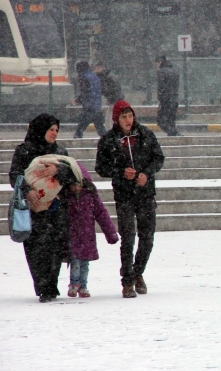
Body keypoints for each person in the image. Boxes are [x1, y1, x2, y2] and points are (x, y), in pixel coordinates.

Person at [95, 100, 165, 298]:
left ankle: (138, 272)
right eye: (123, 116)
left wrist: (147, 174)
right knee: (128, 238)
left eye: (130, 115)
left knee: (147, 237)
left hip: (145, 194)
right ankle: (127, 280)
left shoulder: (145, 134)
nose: (128, 120)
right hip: (124, 195)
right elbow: (101, 167)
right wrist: (120, 172)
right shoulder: (109, 140)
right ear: (116, 119)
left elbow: (158, 158)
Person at [9, 114, 79, 303]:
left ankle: (51, 285)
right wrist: (28, 191)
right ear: (41, 129)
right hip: (34, 209)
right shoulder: (24, 151)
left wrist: (58, 171)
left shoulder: (60, 152)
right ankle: (42, 285)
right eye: (51, 129)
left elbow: (74, 175)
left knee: (55, 247)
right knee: (36, 248)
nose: (54, 133)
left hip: (56, 207)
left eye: (56, 130)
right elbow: (15, 175)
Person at [66, 163, 119, 298]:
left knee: (84, 262)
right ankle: (73, 284)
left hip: (86, 236)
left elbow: (102, 214)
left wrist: (110, 233)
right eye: (73, 184)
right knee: (75, 261)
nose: (76, 188)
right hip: (72, 235)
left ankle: (83, 285)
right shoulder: (66, 197)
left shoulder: (90, 196)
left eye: (78, 184)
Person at [73, 60, 107, 139]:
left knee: (83, 122)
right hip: (97, 105)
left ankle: (77, 136)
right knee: (99, 126)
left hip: (89, 105)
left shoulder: (83, 77)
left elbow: (84, 92)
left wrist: (78, 100)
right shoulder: (94, 76)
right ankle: (107, 139)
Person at [94, 61, 124, 131]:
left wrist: (113, 101)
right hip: (113, 101)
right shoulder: (106, 76)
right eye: (95, 68)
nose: (96, 70)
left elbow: (114, 90)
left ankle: (113, 135)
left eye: (98, 68)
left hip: (114, 101)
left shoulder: (108, 77)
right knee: (108, 120)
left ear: (103, 68)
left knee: (110, 120)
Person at [155, 55, 180, 136]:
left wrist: (160, 97)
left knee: (160, 120)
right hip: (174, 98)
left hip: (166, 99)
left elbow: (161, 86)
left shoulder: (161, 72)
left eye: (157, 63)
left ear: (160, 61)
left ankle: (172, 133)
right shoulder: (175, 70)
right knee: (171, 119)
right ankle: (174, 133)